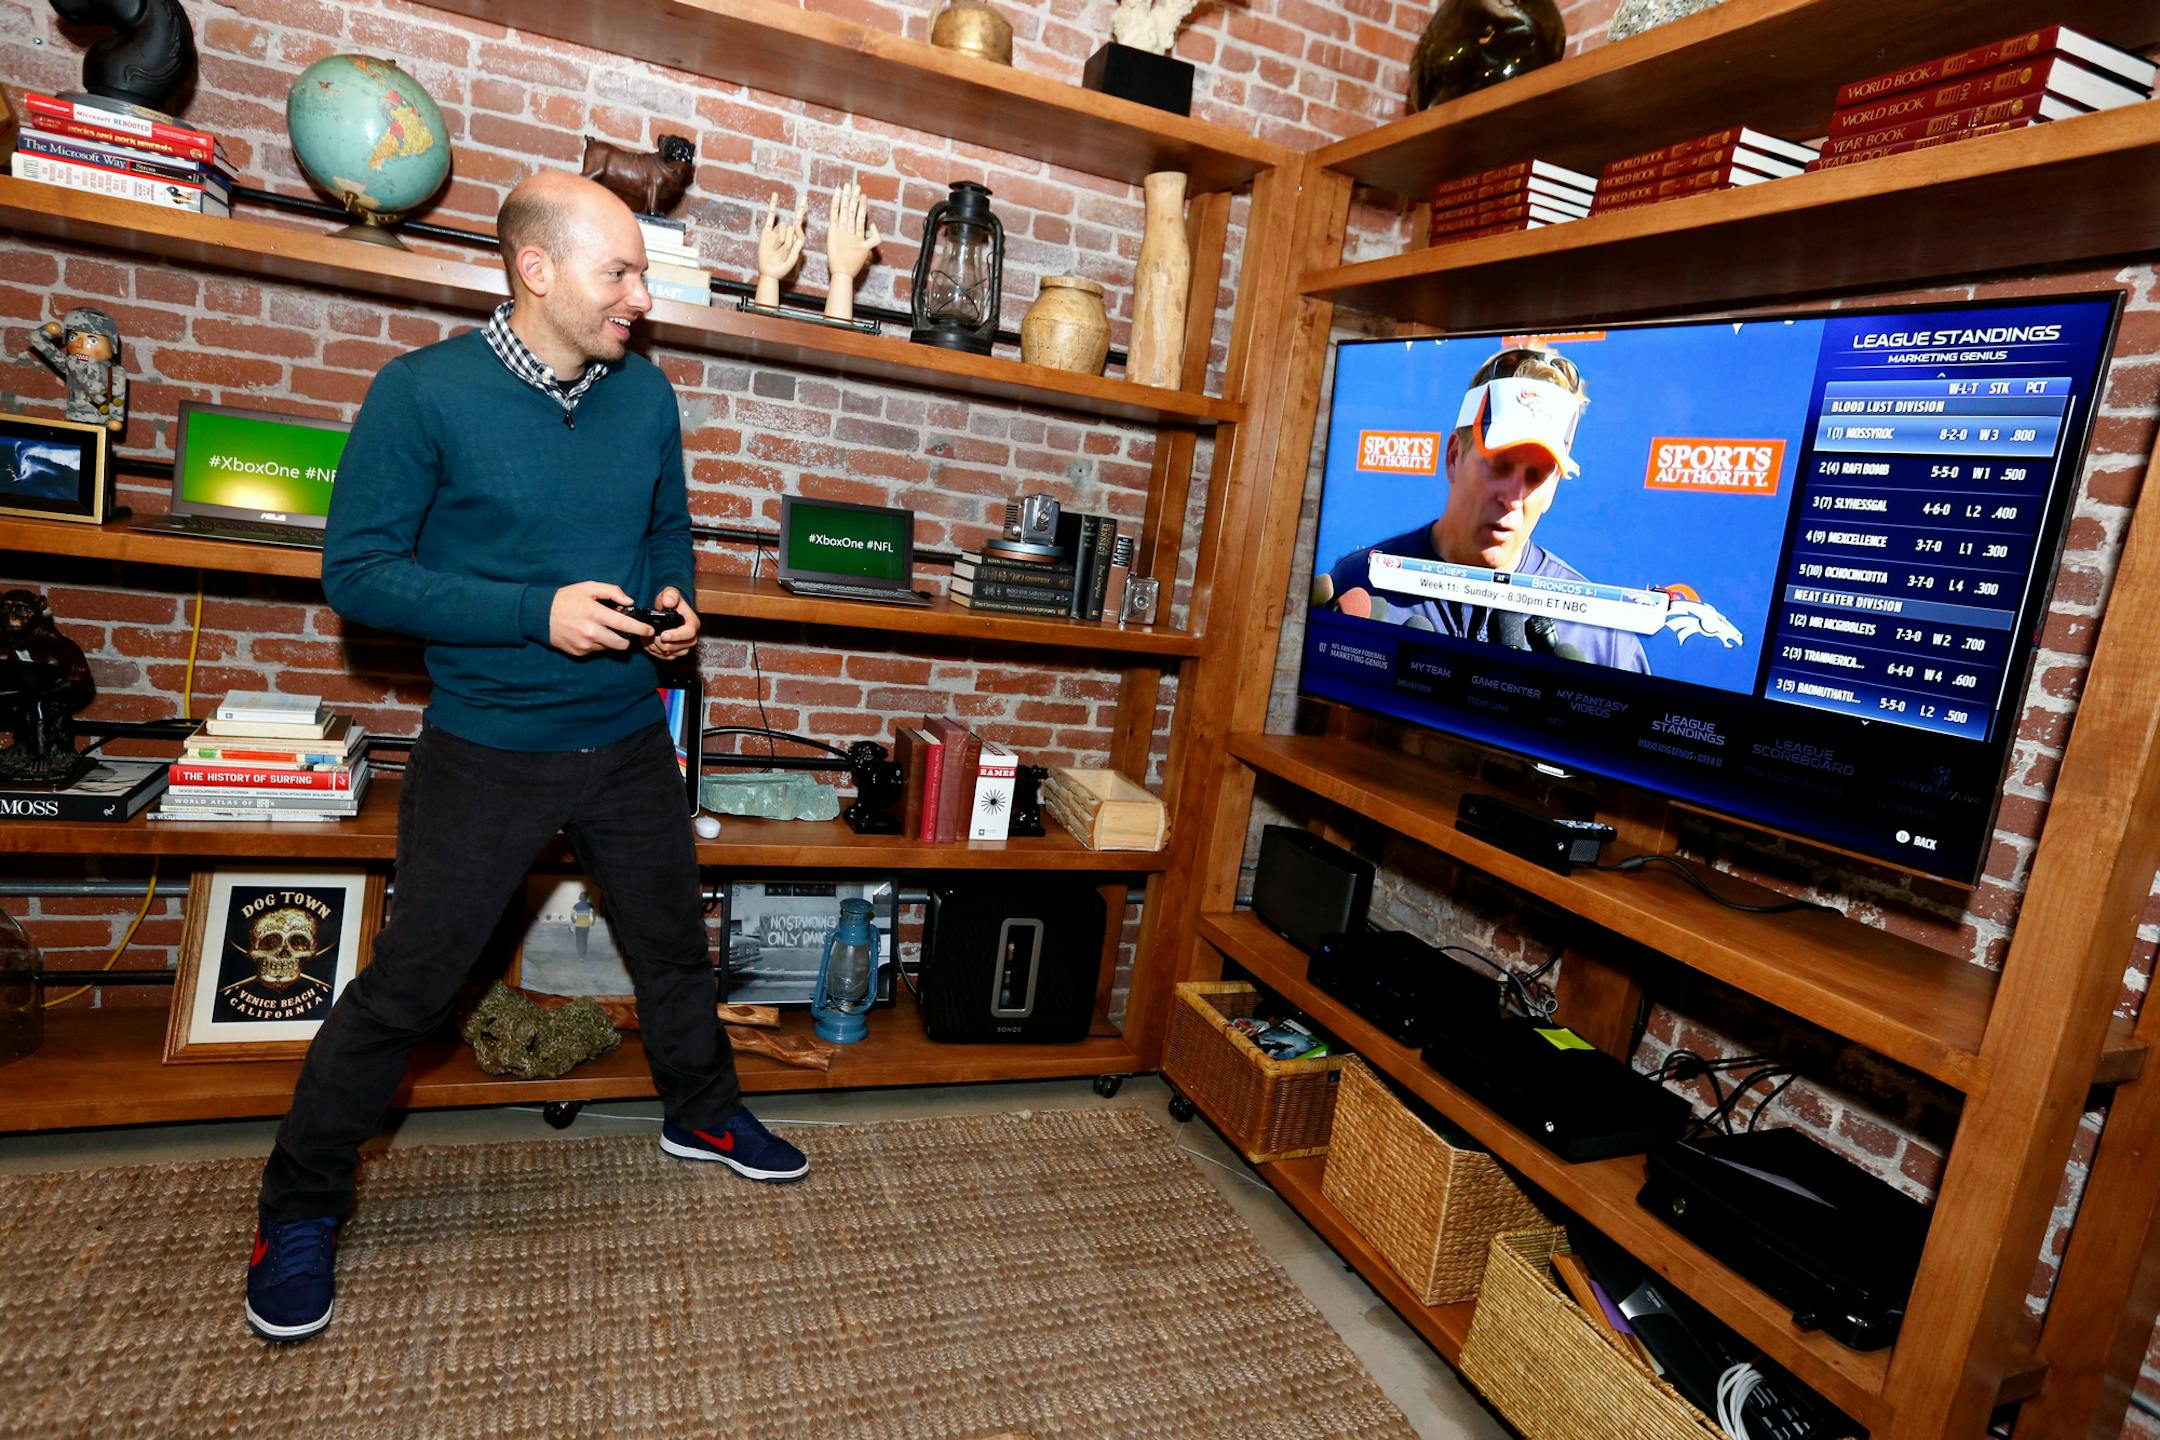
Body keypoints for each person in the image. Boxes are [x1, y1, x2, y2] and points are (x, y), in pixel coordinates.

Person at [245, 171, 807, 1347]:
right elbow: (358, 575)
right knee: (409, 990)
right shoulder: (422, 395)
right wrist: (529, 613)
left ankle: (699, 1113)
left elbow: (665, 526)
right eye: (621, 272)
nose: (641, 298)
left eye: (642, 274)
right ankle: (295, 1213)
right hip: (485, 748)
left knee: (671, 949)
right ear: (534, 269)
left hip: (625, 738)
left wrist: (675, 596)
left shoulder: (643, 393)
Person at [1316, 347, 1651, 672]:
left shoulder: (1602, 638)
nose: (1513, 496)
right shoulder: (1360, 585)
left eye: (1536, 476)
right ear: (1453, 457)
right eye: (1499, 465)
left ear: (1553, 491)